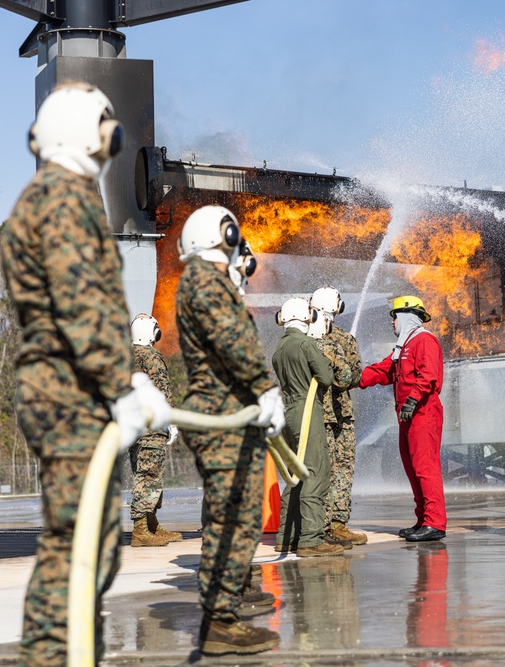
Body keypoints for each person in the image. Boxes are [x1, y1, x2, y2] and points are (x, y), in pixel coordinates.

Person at [1, 82, 172, 667]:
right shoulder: (65, 198)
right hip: (71, 389)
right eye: (107, 125)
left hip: (67, 384)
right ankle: (55, 654)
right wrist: (123, 384)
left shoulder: (49, 194)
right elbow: (83, 309)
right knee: (78, 547)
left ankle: (68, 650)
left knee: (82, 541)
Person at [175, 204, 285, 654]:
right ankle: (220, 621)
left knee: (238, 517)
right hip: (222, 415)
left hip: (229, 413)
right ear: (224, 233)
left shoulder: (210, 281)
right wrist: (265, 389)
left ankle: (225, 612)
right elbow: (231, 339)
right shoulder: (203, 280)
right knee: (232, 518)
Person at [360, 295, 447, 542]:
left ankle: (435, 523)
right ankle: (423, 520)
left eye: (394, 316)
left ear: (407, 316)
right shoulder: (404, 346)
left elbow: (428, 375)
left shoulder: (424, 341)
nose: (392, 322)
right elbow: (384, 370)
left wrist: (411, 400)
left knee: (425, 468)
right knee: (412, 469)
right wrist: (354, 379)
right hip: (407, 415)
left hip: (422, 412)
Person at [272, 297, 343, 556]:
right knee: (315, 471)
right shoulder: (306, 344)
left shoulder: (280, 347)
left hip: (287, 412)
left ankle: (286, 537)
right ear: (307, 318)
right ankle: (311, 540)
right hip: (306, 410)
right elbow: (325, 377)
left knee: (295, 475)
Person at [311, 286, 368, 546]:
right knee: (332, 467)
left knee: (338, 466)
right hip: (329, 413)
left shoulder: (335, 339)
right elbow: (354, 376)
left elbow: (354, 376)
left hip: (334, 413)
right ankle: (326, 525)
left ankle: (334, 524)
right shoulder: (339, 340)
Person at [128, 313, 182, 547]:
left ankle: (151, 524)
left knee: (142, 474)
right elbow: (161, 389)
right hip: (151, 427)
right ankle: (141, 529)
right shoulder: (151, 356)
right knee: (149, 476)